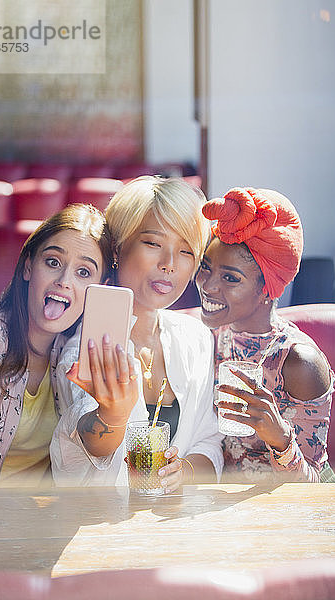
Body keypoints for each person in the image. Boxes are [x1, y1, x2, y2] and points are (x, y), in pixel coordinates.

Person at [51, 176, 224, 491]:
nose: (169, 264)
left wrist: (184, 471)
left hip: (176, 526)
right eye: (153, 243)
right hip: (100, 526)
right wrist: (112, 414)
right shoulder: (86, 347)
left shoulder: (196, 337)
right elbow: (88, 441)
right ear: (118, 248)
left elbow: (210, 442)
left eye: (186, 251)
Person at [0, 203, 137, 487]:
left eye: (84, 272)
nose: (64, 281)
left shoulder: (76, 350)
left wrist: (114, 411)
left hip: (46, 516)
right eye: (53, 262)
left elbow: (87, 455)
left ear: (100, 287)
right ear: (28, 267)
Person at [196, 187, 335, 483]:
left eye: (230, 278)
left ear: (266, 291)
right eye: (205, 268)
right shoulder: (206, 335)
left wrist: (281, 440)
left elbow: (317, 489)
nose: (207, 286)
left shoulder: (298, 361)